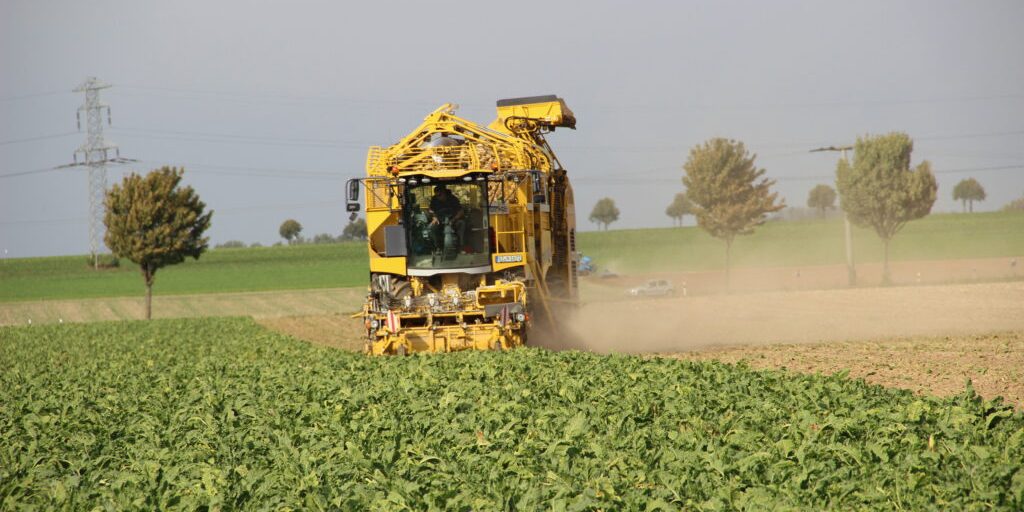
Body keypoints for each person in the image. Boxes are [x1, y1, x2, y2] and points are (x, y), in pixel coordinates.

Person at [429, 185, 465, 252]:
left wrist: (454, 219)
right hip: (439, 221)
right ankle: (437, 247)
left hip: (453, 221)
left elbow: (461, 211)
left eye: (440, 195)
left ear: (444, 193)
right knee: (431, 227)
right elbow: (431, 210)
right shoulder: (434, 199)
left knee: (461, 224)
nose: (438, 197)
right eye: (437, 195)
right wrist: (434, 218)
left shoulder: (453, 199)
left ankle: (461, 246)